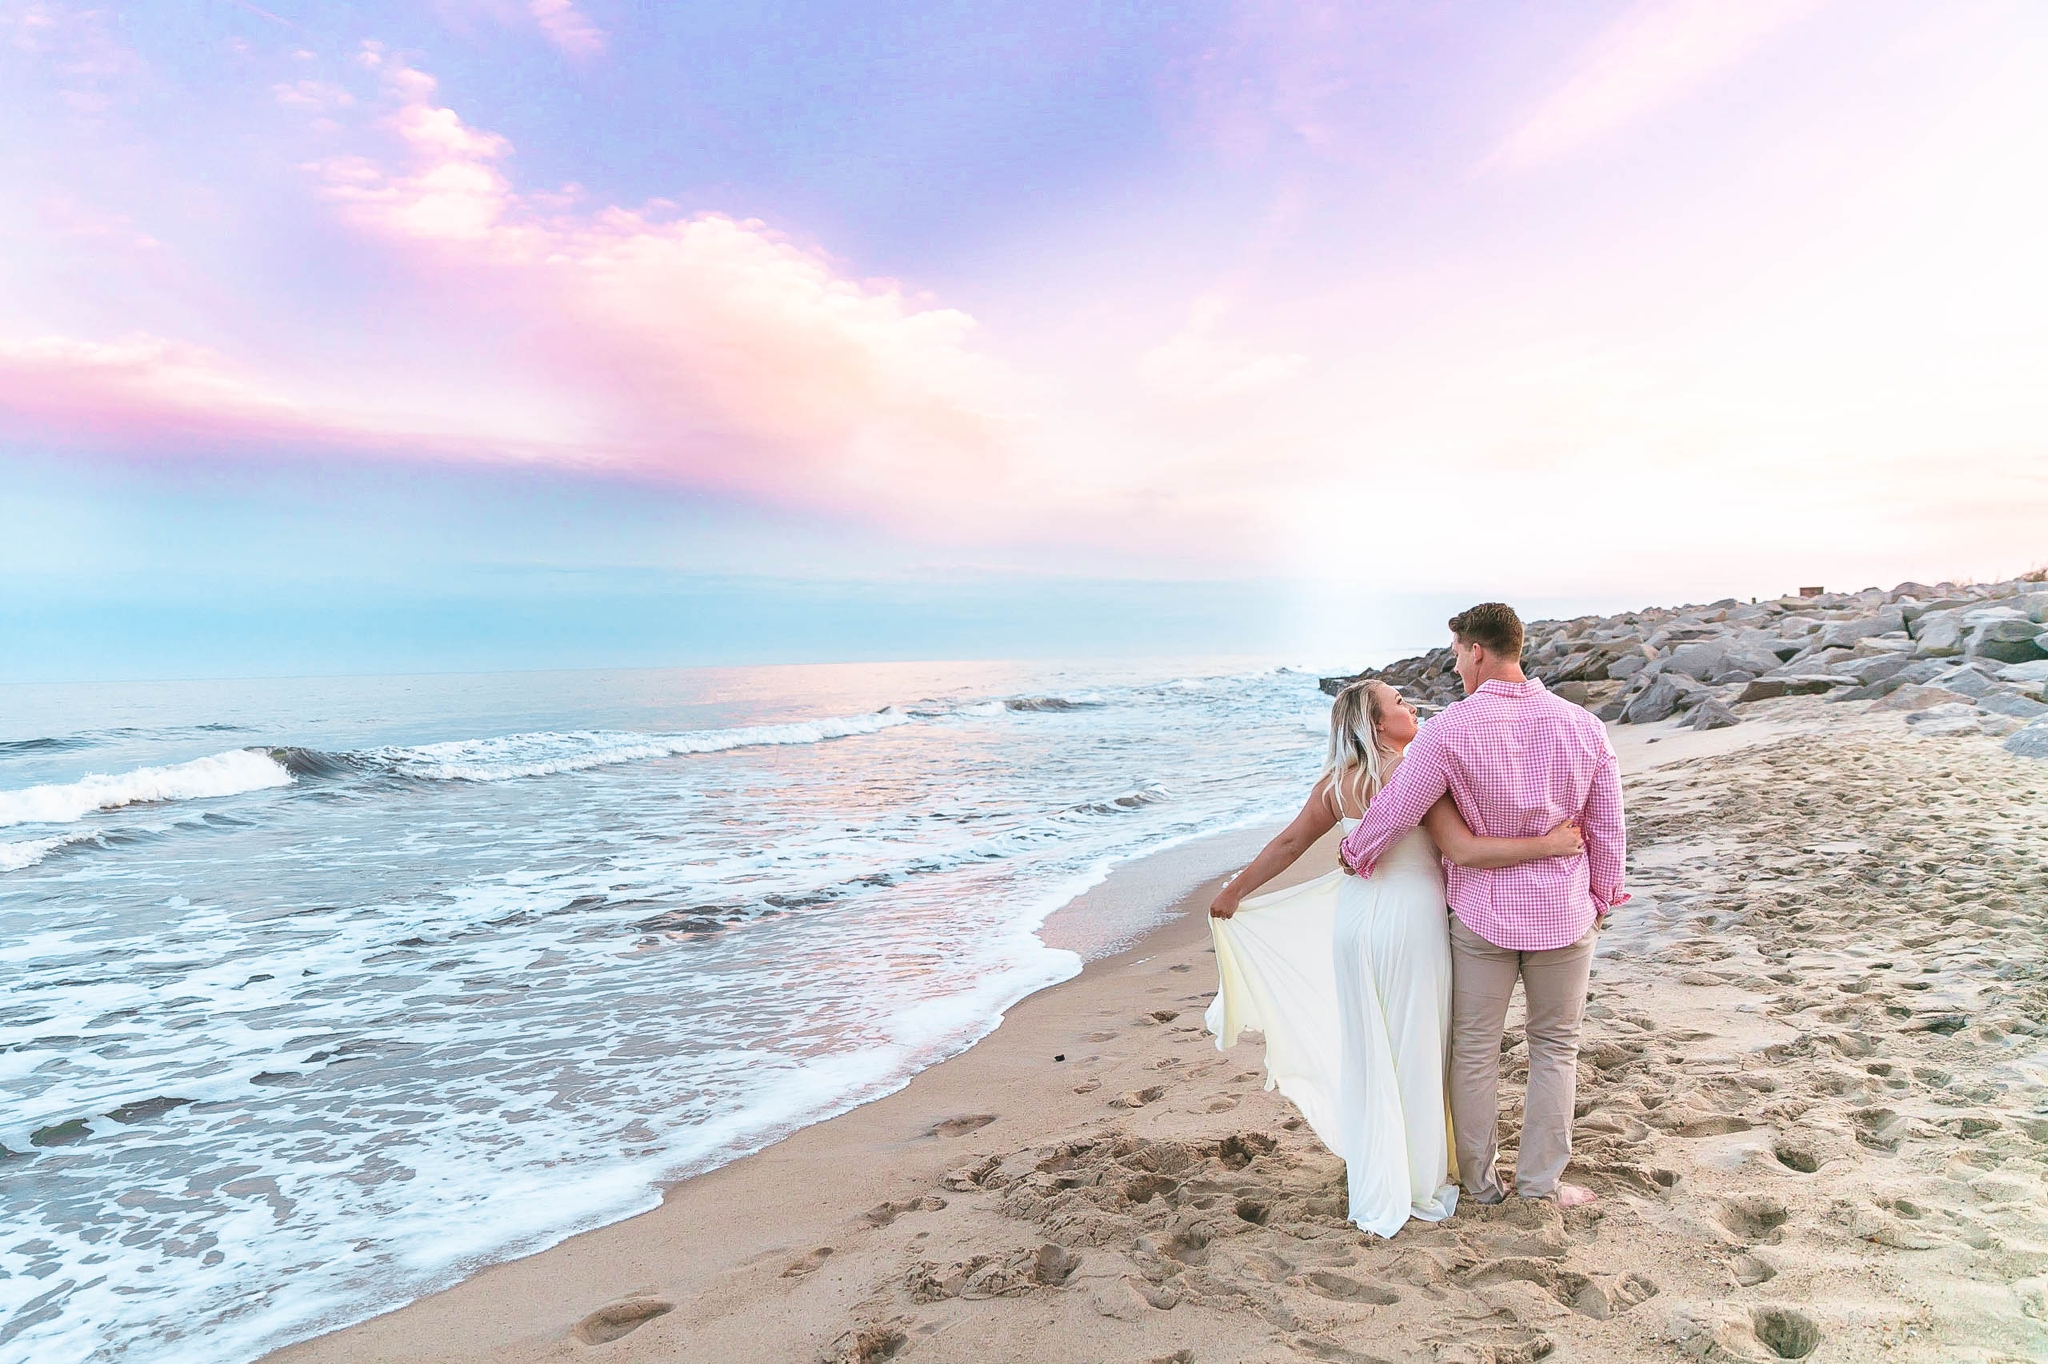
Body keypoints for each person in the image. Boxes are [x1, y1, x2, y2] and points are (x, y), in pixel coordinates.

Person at [1205, 678, 1582, 1237]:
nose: (1410, 707)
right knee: (1419, 1045)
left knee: (1371, 1045)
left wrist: (1235, 892)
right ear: (1378, 724)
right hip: (1411, 923)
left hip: (1355, 926)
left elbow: (1287, 845)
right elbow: (1462, 849)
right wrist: (1547, 846)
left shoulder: (1337, 784)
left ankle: (1380, 1168)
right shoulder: (1418, 774)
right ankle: (1422, 1173)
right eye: (1399, 703)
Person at [1339, 602, 1626, 1210]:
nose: (1455, 667)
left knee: (1474, 1048)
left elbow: (1400, 807)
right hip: (1565, 913)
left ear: (1476, 651)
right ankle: (1540, 1186)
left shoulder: (1449, 730)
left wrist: (1357, 849)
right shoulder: (1583, 725)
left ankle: (1479, 1185)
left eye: (1456, 655)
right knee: (1555, 1046)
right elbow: (1607, 826)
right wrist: (1602, 894)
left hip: (1483, 916)